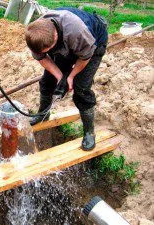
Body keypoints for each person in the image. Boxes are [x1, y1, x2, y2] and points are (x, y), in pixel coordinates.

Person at [25, 7, 108, 151]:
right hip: (67, 43)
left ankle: (89, 132)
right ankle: (43, 114)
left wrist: (70, 77)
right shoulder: (35, 35)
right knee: (47, 82)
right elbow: (43, 58)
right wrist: (60, 77)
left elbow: (85, 57)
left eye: (48, 49)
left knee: (81, 88)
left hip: (93, 44)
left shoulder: (76, 31)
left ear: (55, 37)